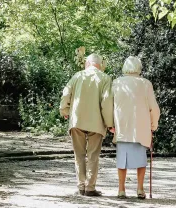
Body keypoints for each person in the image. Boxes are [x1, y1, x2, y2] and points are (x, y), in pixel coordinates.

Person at [59, 53, 114, 196]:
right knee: (93, 156)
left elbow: (66, 94)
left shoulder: (77, 76)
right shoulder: (105, 78)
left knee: (79, 155)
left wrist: (64, 110)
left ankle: (81, 186)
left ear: (87, 63)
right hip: (96, 123)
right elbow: (107, 102)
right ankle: (90, 188)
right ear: (100, 65)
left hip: (77, 121)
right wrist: (109, 123)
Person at [111, 56, 160, 199]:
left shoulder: (116, 83)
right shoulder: (146, 84)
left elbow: (110, 105)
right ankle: (140, 189)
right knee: (141, 159)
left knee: (122, 160)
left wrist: (110, 124)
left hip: (122, 126)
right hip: (141, 127)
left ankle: (121, 189)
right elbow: (154, 108)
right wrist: (153, 124)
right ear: (139, 68)